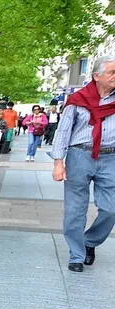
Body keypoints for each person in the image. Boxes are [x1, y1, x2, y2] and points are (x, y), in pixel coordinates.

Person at [51, 56, 115, 273]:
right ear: (96, 76)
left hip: (110, 158)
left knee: (111, 209)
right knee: (75, 210)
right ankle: (77, 254)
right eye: (112, 73)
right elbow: (63, 132)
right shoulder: (78, 100)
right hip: (80, 156)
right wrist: (58, 162)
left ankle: (90, 241)